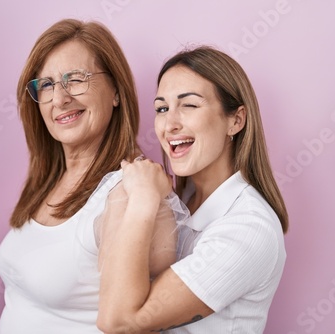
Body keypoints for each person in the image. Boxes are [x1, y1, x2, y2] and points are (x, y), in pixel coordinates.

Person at [0, 19, 179, 334]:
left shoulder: (128, 194)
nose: (59, 98)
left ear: (117, 93)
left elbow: (134, 324)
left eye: (76, 79)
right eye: (47, 84)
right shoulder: (47, 181)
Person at [97, 46, 289, 334]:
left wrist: (144, 200)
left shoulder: (248, 228)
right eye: (162, 108)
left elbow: (120, 322)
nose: (169, 124)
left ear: (236, 120)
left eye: (189, 105)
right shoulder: (181, 201)